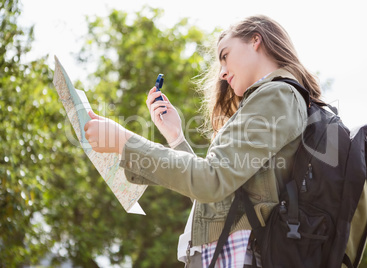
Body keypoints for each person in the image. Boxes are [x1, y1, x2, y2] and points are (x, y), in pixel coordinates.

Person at [84, 14, 322, 268]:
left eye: (225, 56)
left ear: (255, 40)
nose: (221, 73)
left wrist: (124, 141)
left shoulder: (276, 95)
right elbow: (218, 198)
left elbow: (210, 181)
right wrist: (176, 138)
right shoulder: (277, 97)